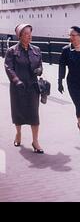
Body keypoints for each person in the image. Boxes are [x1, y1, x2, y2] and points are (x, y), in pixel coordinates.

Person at [4, 24, 44, 154]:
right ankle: (18, 133)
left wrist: (39, 70)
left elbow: (40, 66)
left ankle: (35, 141)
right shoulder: (12, 51)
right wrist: (16, 81)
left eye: (30, 33)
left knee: (34, 114)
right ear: (20, 35)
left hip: (32, 87)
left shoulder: (36, 50)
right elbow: (8, 67)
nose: (29, 35)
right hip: (18, 88)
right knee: (18, 112)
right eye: (26, 33)